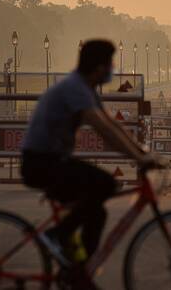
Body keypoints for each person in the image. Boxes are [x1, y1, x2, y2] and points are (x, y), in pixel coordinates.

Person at [21, 40, 162, 272]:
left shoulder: (84, 88)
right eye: (111, 64)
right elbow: (102, 128)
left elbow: (112, 125)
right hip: (41, 163)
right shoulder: (75, 89)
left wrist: (141, 152)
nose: (113, 69)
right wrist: (139, 159)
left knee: (97, 212)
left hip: (50, 161)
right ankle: (55, 236)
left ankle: (79, 272)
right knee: (105, 184)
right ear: (99, 68)